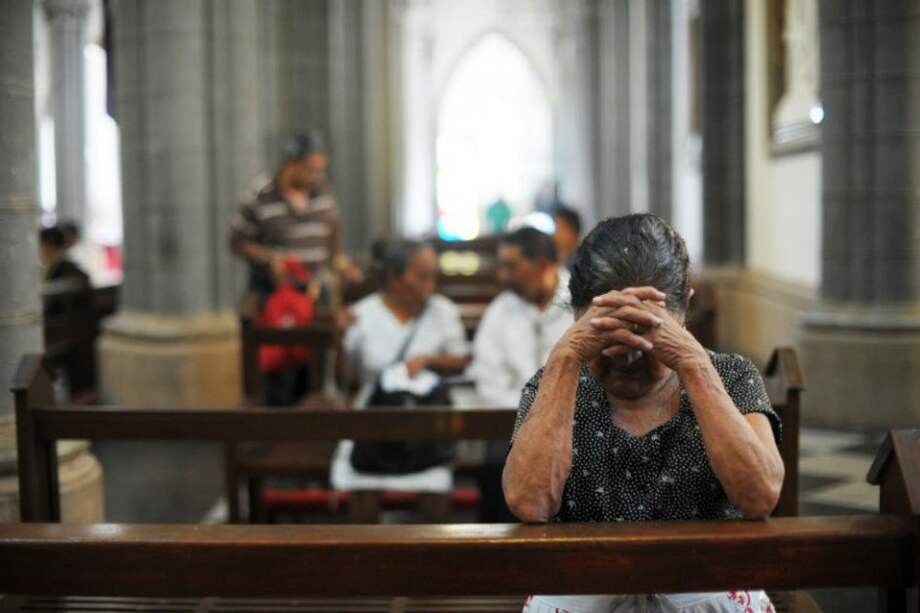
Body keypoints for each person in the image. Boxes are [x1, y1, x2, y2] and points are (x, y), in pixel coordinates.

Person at [504, 214, 783, 613]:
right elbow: (530, 504)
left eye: (648, 333)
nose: (629, 355)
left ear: (684, 309)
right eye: (609, 335)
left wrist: (692, 363)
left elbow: (760, 497)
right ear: (577, 316)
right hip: (586, 587)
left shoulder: (730, 376)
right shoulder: (552, 385)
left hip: (705, 587)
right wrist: (565, 360)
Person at [330, 239, 471, 522]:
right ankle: (367, 560)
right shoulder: (363, 313)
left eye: (433, 274)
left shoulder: (442, 310)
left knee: (434, 490)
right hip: (376, 414)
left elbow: (463, 359)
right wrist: (340, 340)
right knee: (364, 492)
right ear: (394, 277)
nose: (431, 283)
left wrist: (429, 360)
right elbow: (343, 379)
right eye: (422, 275)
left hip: (427, 417)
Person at [467, 226, 572, 521]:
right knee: (496, 471)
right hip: (510, 424)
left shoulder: (581, 302)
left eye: (511, 267)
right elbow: (489, 381)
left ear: (541, 265)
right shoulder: (499, 312)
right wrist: (534, 413)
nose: (503, 276)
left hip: (575, 420)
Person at [228, 131, 360, 306]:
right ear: (291, 164)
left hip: (315, 292)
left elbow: (332, 234)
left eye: (320, 171)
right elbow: (237, 241)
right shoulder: (261, 194)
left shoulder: (323, 192)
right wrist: (270, 258)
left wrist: (340, 263)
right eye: (310, 170)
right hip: (273, 295)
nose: (316, 176)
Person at [552, 205, 581, 271]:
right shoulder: (556, 259)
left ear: (572, 231)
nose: (555, 233)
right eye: (556, 228)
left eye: (560, 228)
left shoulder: (580, 262)